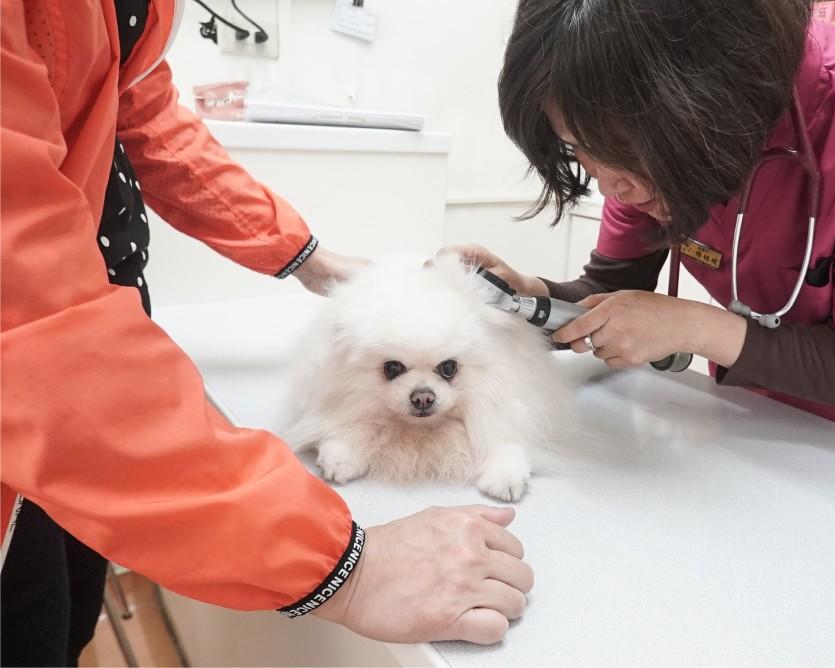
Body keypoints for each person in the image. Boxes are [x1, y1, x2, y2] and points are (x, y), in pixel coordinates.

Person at [1, 1, 531, 664]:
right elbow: (28, 317)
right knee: (30, 630)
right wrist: (348, 568)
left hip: (89, 349)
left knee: (69, 612)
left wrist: (306, 257)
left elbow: (143, 111)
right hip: (39, 393)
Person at [446, 0, 835, 470]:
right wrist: (527, 297)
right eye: (577, 144)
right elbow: (610, 287)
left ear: (709, 100)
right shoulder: (642, 130)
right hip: (755, 410)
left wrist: (694, 327)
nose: (609, 183)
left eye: (624, 151)